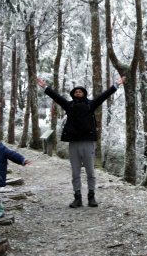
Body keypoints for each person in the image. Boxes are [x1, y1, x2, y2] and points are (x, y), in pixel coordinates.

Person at [37, 76, 125, 208]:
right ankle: (77, 197)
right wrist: (45, 87)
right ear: (73, 94)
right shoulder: (69, 105)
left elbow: (104, 96)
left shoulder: (91, 104)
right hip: (74, 143)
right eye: (76, 91)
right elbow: (56, 97)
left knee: (90, 171)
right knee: (75, 172)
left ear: (84, 93)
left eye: (80, 91)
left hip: (88, 142)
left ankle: (91, 197)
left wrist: (116, 85)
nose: (78, 92)